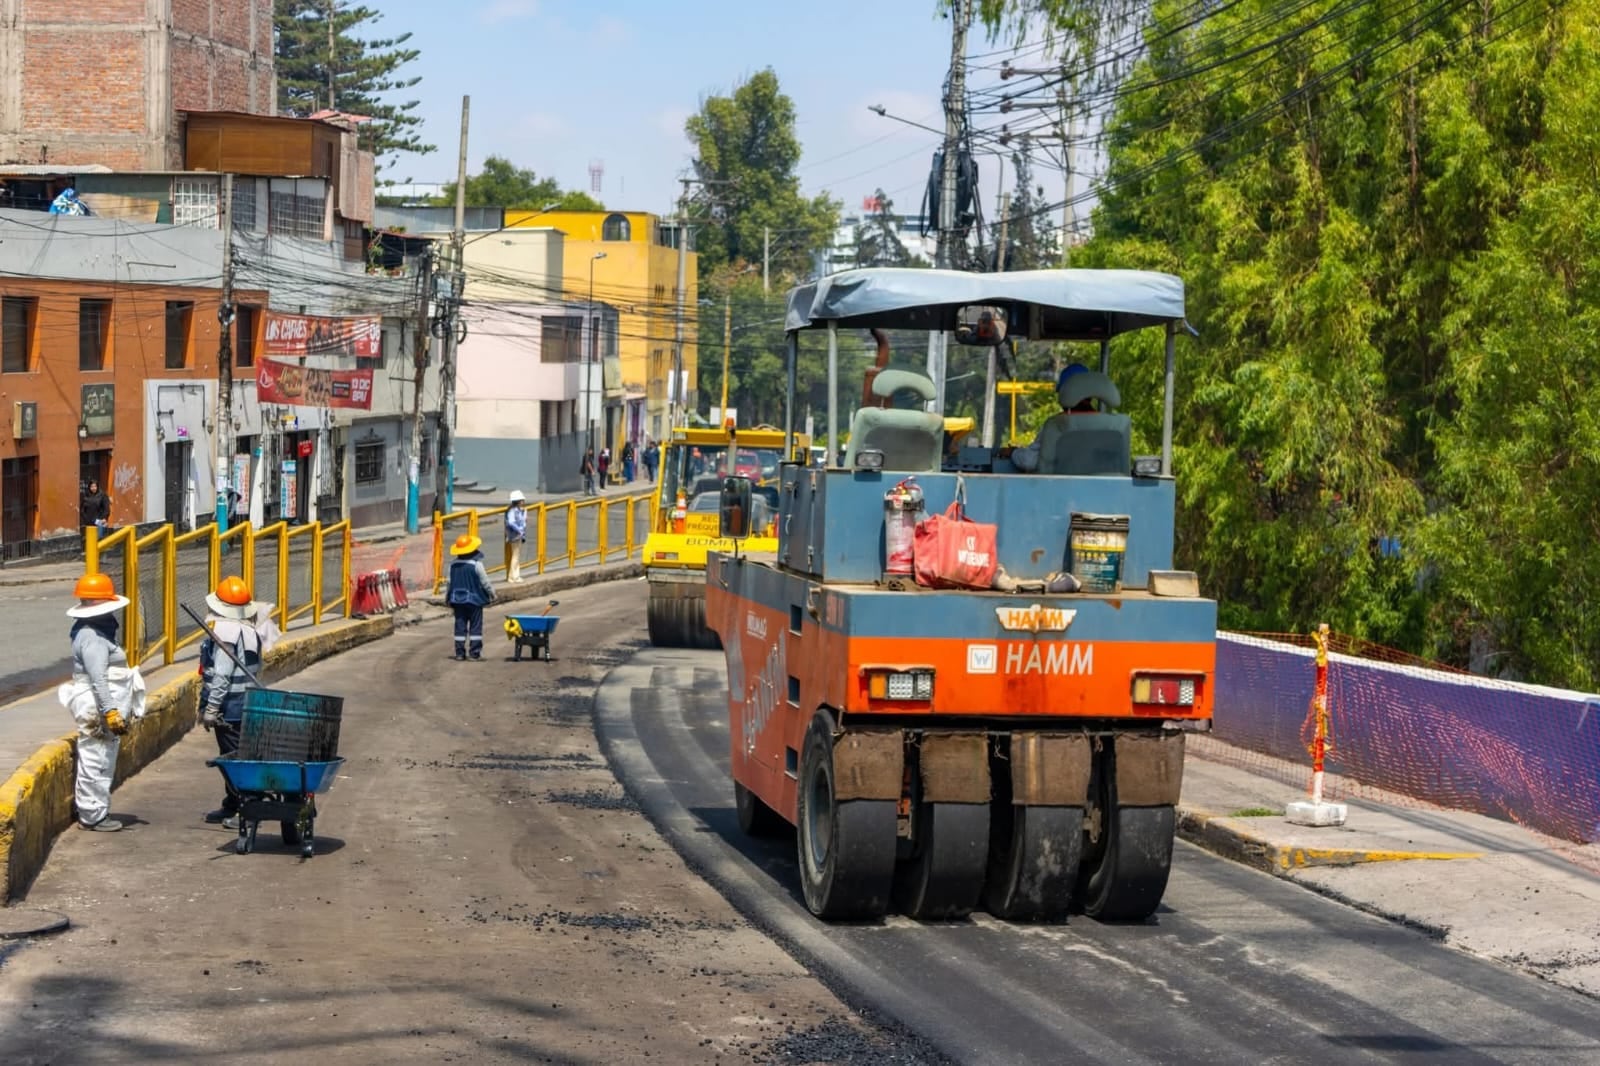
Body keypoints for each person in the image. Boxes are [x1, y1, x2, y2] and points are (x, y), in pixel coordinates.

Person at [58, 573, 145, 832]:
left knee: (102, 756)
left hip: (100, 705)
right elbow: (98, 678)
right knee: (95, 758)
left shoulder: (94, 632)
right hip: (97, 707)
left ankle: (96, 810)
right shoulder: (92, 638)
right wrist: (110, 711)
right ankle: (93, 815)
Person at [198, 577, 281, 827]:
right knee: (234, 755)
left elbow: (222, 676)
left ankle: (247, 807)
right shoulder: (250, 629)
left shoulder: (227, 634)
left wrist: (211, 708)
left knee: (234, 759)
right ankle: (233, 803)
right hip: (247, 703)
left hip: (231, 708)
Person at [445, 533, 494, 660]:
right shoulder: (477, 564)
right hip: (475, 601)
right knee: (475, 627)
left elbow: (449, 584)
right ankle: (474, 653)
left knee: (459, 626)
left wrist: (447, 598)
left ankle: (460, 653)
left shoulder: (452, 565)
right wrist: (492, 594)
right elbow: (485, 583)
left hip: (457, 601)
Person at [504, 489, 528, 584]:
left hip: (517, 535)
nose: (523, 501)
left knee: (516, 556)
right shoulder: (513, 511)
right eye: (521, 500)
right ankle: (515, 577)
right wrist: (519, 530)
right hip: (515, 535)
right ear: (518, 501)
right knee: (516, 556)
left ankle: (512, 576)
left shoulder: (517, 510)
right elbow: (511, 522)